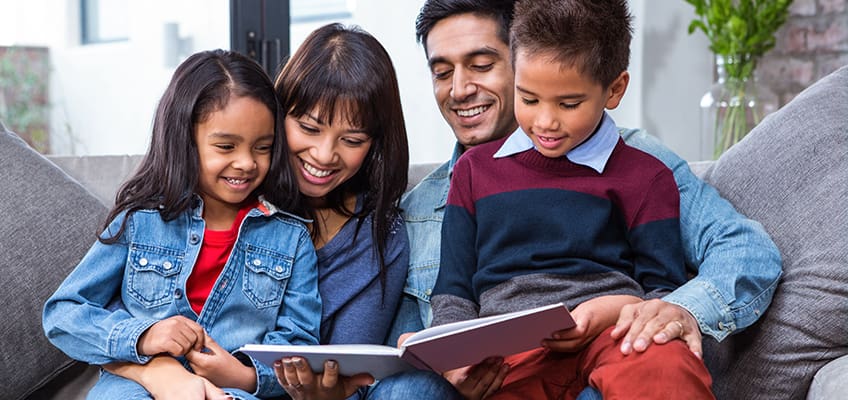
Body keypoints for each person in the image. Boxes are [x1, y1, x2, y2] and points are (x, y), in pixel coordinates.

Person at [391, 0, 782, 398]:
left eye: (480, 64)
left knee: (661, 361)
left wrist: (613, 310)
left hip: (614, 334)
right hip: (511, 357)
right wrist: (451, 351)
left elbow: (664, 291)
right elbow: (452, 293)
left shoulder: (646, 170)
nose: (545, 121)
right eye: (442, 72)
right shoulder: (466, 177)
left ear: (614, 90)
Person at [96, 24, 460, 400]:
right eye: (308, 128)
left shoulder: (381, 233)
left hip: (284, 392)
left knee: (417, 389)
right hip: (188, 382)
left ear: (375, 145)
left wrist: (253, 379)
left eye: (352, 140)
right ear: (276, 114)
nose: (324, 155)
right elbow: (103, 320)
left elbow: (349, 376)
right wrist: (161, 374)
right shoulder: (227, 191)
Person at [42, 49, 322, 400]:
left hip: (231, 389)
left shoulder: (291, 238)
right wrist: (143, 336)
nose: (246, 163)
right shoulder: (140, 221)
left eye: (262, 147)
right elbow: (63, 314)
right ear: (184, 141)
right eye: (225, 146)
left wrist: (246, 376)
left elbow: (299, 343)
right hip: (137, 384)